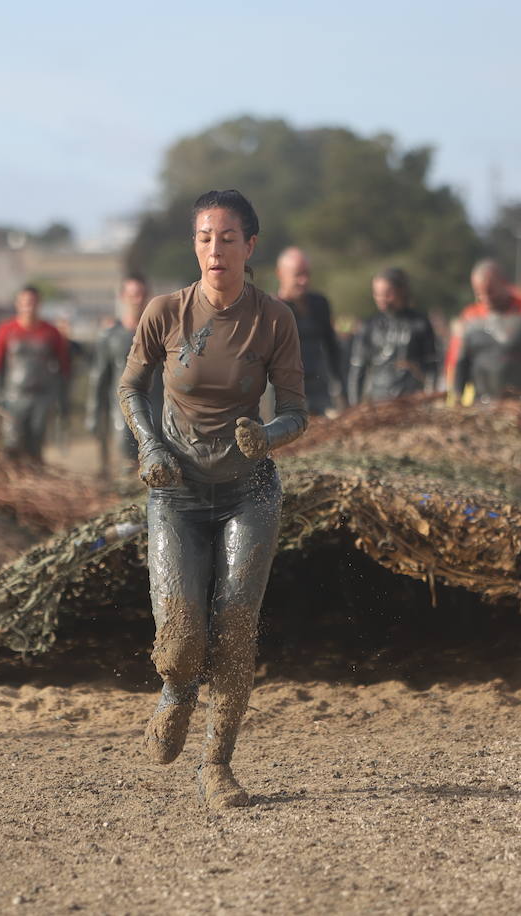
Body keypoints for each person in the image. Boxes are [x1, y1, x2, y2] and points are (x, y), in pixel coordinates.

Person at [118, 190, 307, 809]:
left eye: (228, 237)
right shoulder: (165, 312)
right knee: (180, 640)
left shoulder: (274, 318)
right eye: (204, 236)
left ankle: (218, 766)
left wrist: (267, 434)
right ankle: (175, 691)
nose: (215, 248)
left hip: (248, 492)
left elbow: (298, 413)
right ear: (193, 245)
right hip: (174, 492)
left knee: (234, 629)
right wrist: (149, 447)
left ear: (250, 247)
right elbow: (131, 387)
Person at [446, 259, 521, 403]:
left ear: (504, 283)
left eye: (490, 291)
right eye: (479, 293)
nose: (485, 298)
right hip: (481, 405)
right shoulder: (469, 318)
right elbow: (459, 362)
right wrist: (456, 398)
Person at [86, 273, 162, 477]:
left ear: (148, 296)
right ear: (122, 297)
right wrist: (93, 414)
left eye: (140, 294)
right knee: (126, 463)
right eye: (132, 294)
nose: (136, 300)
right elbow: (99, 378)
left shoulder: (161, 333)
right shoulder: (110, 336)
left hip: (156, 408)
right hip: (121, 410)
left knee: (156, 465)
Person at [0, 286, 71, 462]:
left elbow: (63, 367)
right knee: (12, 443)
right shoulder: (6, 330)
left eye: (33, 303)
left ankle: (35, 479)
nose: (29, 307)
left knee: (35, 442)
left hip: (41, 396)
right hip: (14, 396)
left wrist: (61, 400)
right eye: (25, 303)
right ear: (17, 304)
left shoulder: (51, 332)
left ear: (39, 304)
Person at [347, 267, 440, 404]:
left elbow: (432, 366)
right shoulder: (369, 326)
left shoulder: (420, 324)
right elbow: (357, 370)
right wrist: (354, 408)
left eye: (387, 293)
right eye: (377, 294)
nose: (381, 299)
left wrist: (430, 398)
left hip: (412, 402)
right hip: (379, 403)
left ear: (401, 291)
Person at [275, 247, 345, 415]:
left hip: (320, 390)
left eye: (307, 274)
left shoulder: (319, 304)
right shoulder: (271, 309)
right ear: (280, 274)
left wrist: (343, 388)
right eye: (298, 275)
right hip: (283, 393)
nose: (304, 281)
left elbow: (332, 347)